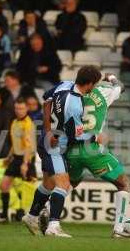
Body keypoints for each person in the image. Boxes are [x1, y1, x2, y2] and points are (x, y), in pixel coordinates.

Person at [22, 65, 102, 237]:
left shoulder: (64, 84)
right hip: (55, 145)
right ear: (88, 84)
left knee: (49, 184)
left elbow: (46, 100)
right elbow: (75, 136)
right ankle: (53, 227)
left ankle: (31, 216)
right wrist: (95, 137)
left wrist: (48, 128)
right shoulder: (74, 106)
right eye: (94, 85)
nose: (93, 88)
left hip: (46, 138)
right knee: (63, 184)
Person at [65, 74, 130, 238]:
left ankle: (46, 210)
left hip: (72, 149)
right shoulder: (104, 91)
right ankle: (118, 229)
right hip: (93, 148)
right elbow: (121, 86)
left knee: (71, 181)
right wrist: (111, 78)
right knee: (124, 183)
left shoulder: (70, 92)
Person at [0, 97, 37, 222]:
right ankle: (4, 215)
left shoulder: (28, 124)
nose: (19, 111)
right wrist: (9, 157)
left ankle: (27, 214)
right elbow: (16, 143)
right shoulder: (14, 122)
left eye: (21, 108)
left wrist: (25, 163)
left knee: (28, 189)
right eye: (17, 108)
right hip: (16, 157)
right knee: (4, 185)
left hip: (27, 158)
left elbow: (28, 146)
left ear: (27, 109)